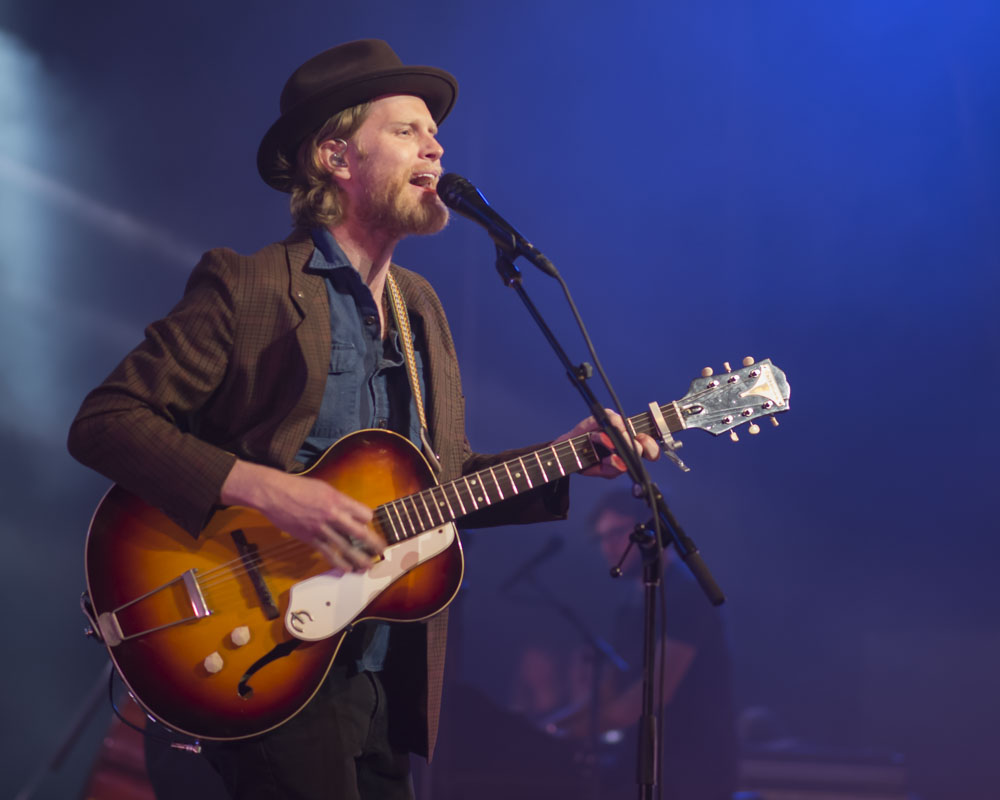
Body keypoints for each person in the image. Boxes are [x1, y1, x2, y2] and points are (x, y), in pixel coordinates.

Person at [67, 39, 659, 800]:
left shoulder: (421, 311)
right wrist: (274, 492)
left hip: (387, 666)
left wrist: (568, 456)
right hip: (264, 651)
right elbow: (107, 420)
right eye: (408, 129)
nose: (435, 144)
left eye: (434, 132)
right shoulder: (249, 287)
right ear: (335, 156)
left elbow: (440, 492)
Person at [573, 489, 739, 800]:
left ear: (648, 531)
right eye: (602, 538)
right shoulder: (630, 604)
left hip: (692, 773)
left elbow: (643, 700)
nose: (608, 547)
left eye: (616, 534)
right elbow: (607, 693)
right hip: (640, 764)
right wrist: (550, 728)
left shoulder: (688, 596)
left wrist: (565, 734)